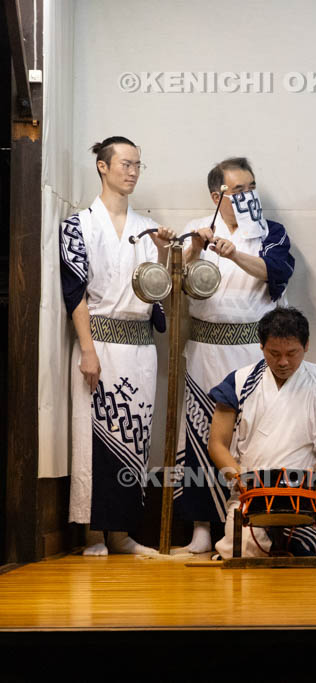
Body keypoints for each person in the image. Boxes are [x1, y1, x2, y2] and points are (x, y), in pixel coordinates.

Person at [59, 136, 175, 556]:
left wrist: (163, 254)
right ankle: (93, 533)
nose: (132, 171)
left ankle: (123, 533)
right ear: (103, 166)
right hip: (100, 343)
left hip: (140, 347)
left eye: (138, 164)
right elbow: (75, 293)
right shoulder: (78, 225)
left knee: (134, 437)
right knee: (91, 437)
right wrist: (87, 349)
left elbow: (156, 290)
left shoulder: (147, 228)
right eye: (125, 163)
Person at [173, 157, 294, 554]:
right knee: (201, 434)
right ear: (217, 196)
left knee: (253, 437)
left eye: (251, 187)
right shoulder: (196, 229)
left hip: (251, 350)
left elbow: (277, 271)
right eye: (238, 190)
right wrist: (195, 249)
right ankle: (201, 529)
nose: (247, 196)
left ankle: (253, 525)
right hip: (206, 349)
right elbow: (172, 281)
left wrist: (233, 254)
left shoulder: (271, 232)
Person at [207, 307, 316, 559]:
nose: (283, 362)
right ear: (261, 346)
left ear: (306, 345)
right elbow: (216, 444)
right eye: (274, 353)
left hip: (305, 493)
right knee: (243, 552)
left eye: (292, 353)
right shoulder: (239, 381)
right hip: (250, 493)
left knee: (306, 551)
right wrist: (241, 480)